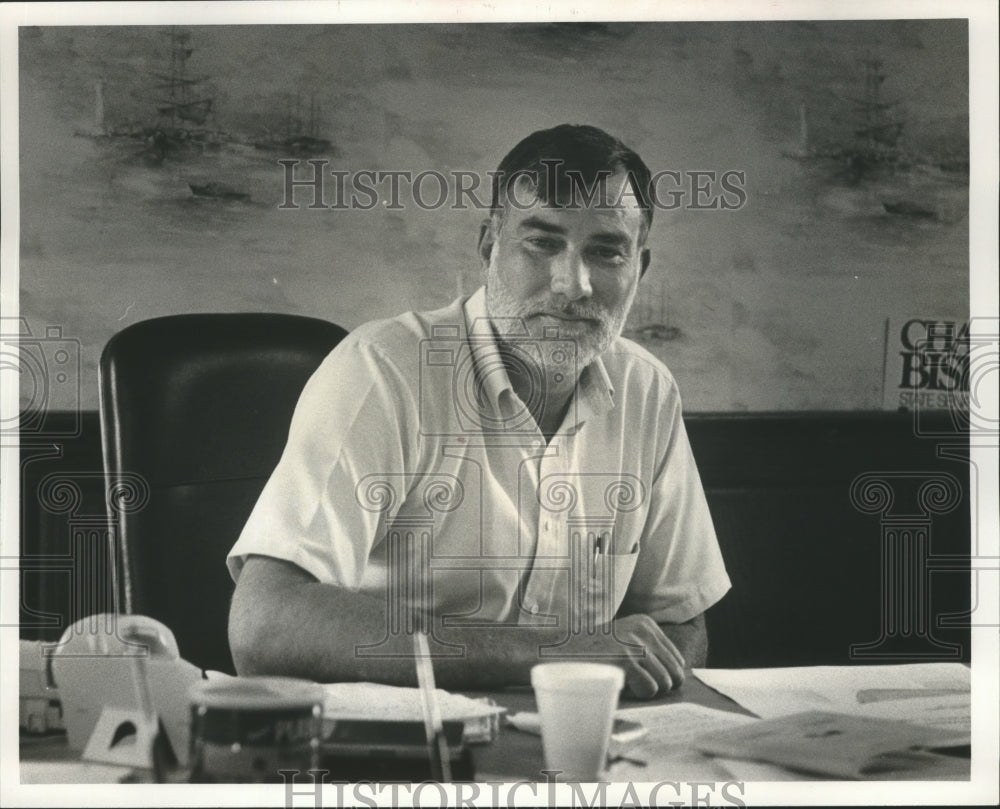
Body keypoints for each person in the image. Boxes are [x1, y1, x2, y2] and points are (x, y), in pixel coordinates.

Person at [227, 124, 730, 699]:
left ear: (640, 265)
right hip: (407, 756)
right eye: (541, 244)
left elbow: (679, 616)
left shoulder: (648, 391)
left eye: (606, 251)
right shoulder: (383, 370)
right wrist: (553, 658)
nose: (573, 286)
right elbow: (264, 626)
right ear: (489, 246)